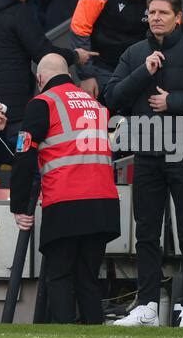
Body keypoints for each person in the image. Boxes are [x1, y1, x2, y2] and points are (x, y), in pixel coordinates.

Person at [105, 0, 183, 327]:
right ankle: (146, 306)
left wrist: (174, 102)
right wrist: (142, 72)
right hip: (145, 152)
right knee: (146, 232)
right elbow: (112, 97)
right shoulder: (134, 54)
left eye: (162, 12)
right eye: (152, 12)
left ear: (178, 17)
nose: (156, 17)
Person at [10, 53, 120, 324]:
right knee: (88, 278)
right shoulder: (94, 104)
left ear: (39, 79)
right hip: (104, 203)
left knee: (59, 275)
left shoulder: (43, 102)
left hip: (66, 201)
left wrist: (20, 206)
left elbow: (24, 156)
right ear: (69, 75)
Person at [0, 0, 96, 198]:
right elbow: (43, 52)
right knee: (23, 165)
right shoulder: (16, 12)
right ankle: (23, 224)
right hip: (12, 109)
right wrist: (75, 55)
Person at [70, 0, 168, 102]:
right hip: (101, 66)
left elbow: (169, 32)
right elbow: (79, 29)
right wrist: (86, 75)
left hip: (140, 67)